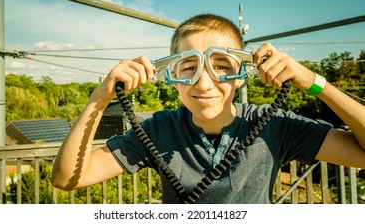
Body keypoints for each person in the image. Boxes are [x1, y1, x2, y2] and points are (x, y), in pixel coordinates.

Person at [51, 13, 365, 203]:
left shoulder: (274, 124)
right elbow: (67, 179)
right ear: (171, 78)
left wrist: (314, 82)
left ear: (243, 75)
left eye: (221, 66)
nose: (204, 83)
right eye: (188, 67)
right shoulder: (157, 130)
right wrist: (100, 98)